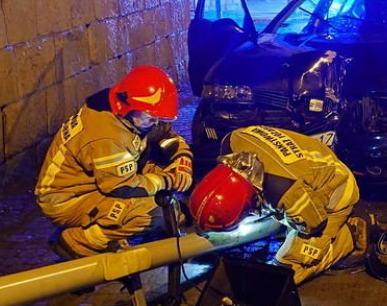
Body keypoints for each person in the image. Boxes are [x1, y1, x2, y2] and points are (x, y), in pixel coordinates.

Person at [36, 66, 192, 260]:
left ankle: (114, 223)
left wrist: (182, 162)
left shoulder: (134, 113)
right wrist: (167, 181)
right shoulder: (106, 136)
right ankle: (80, 241)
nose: (155, 122)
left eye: (158, 117)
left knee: (162, 185)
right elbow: (121, 185)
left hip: (99, 181)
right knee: (149, 213)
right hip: (67, 199)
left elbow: (168, 136)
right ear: (128, 108)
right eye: (151, 117)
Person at [187, 126, 367, 285]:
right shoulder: (231, 142)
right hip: (310, 169)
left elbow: (314, 224)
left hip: (333, 194)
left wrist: (284, 218)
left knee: (288, 270)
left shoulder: (287, 194)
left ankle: (349, 234)